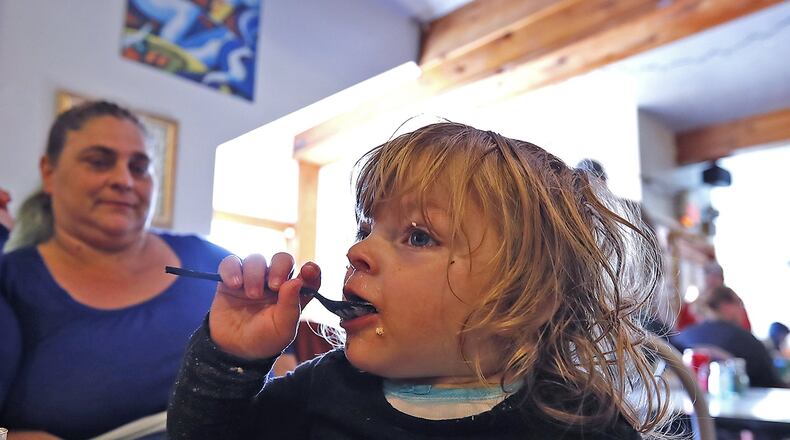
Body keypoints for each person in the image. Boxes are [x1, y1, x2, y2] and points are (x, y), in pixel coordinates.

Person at [168, 122, 671, 438]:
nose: (357, 251)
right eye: (366, 229)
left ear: (526, 298)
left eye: (418, 236)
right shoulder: (322, 390)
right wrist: (230, 360)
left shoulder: (580, 424)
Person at [0, 101, 231, 439]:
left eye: (139, 167)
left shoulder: (210, 260)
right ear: (49, 172)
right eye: (98, 162)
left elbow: (282, 365)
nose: (124, 180)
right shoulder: (11, 282)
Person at [671, 286, 785, 388]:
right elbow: (772, 385)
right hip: (742, 403)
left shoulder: (682, 337)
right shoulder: (747, 341)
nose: (743, 311)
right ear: (727, 306)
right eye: (740, 304)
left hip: (687, 402)